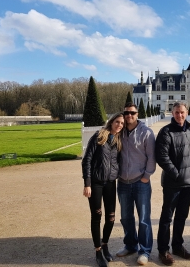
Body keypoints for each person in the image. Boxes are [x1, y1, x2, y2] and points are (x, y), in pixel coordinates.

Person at [81, 112, 124, 267]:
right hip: (96, 183)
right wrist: (87, 183)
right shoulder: (99, 136)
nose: (119, 125)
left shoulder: (118, 140)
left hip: (111, 183)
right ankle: (98, 251)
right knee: (97, 216)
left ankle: (105, 244)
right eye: (117, 122)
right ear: (112, 122)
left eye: (122, 123)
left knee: (111, 217)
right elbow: (87, 160)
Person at [116, 102, 156, 266]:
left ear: (137, 114)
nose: (129, 116)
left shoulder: (146, 132)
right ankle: (130, 245)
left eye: (132, 113)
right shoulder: (119, 132)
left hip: (141, 182)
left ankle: (145, 250)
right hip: (123, 182)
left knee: (144, 219)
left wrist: (146, 176)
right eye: (126, 113)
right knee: (126, 218)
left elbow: (152, 157)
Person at [156, 102, 190, 266]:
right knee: (167, 217)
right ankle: (163, 250)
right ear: (172, 113)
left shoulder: (189, 130)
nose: (180, 115)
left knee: (181, 216)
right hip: (173, 183)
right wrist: (177, 175)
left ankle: (177, 246)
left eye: (182, 112)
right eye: (177, 112)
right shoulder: (166, 131)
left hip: (188, 183)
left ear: (186, 113)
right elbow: (162, 157)